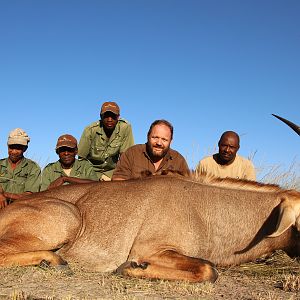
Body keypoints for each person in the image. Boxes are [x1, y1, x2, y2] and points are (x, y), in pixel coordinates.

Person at [112, 119, 190, 180]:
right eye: (155, 137)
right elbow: (118, 180)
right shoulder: (131, 153)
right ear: (148, 136)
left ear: (171, 141)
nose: (159, 143)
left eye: (164, 139)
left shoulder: (179, 161)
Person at [78, 101, 134, 181]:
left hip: (113, 172)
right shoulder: (90, 130)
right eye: (106, 116)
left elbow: (125, 157)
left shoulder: (125, 128)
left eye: (113, 116)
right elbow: (81, 159)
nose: (109, 120)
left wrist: (120, 176)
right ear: (101, 116)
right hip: (92, 172)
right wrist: (97, 176)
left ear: (118, 117)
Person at [0, 128, 41, 208]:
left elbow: (29, 195)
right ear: (8, 146)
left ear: (25, 149)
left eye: (18, 148)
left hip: (21, 208)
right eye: (11, 147)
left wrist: (3, 194)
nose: (14, 151)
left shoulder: (33, 167)